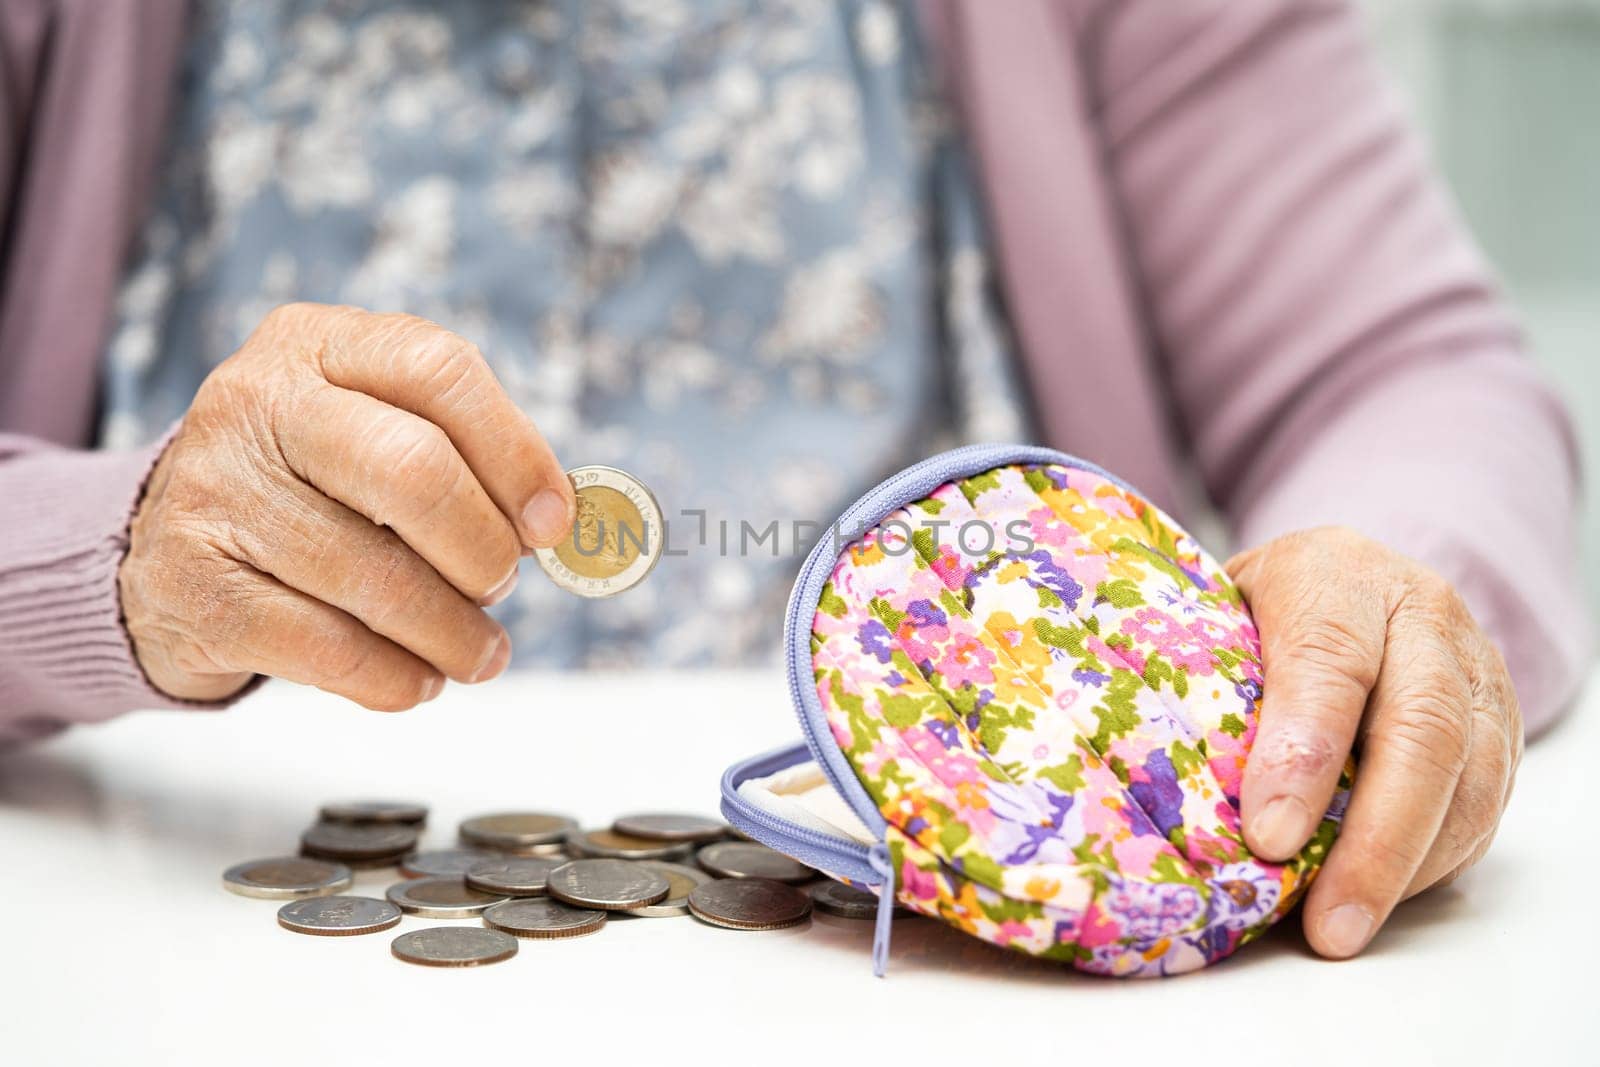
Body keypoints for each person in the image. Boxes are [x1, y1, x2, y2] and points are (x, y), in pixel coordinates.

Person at [0, 0, 1590, 964]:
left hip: (958, 992)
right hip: (158, 944)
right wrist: (112, 558)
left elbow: (1405, 374)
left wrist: (1371, 602)